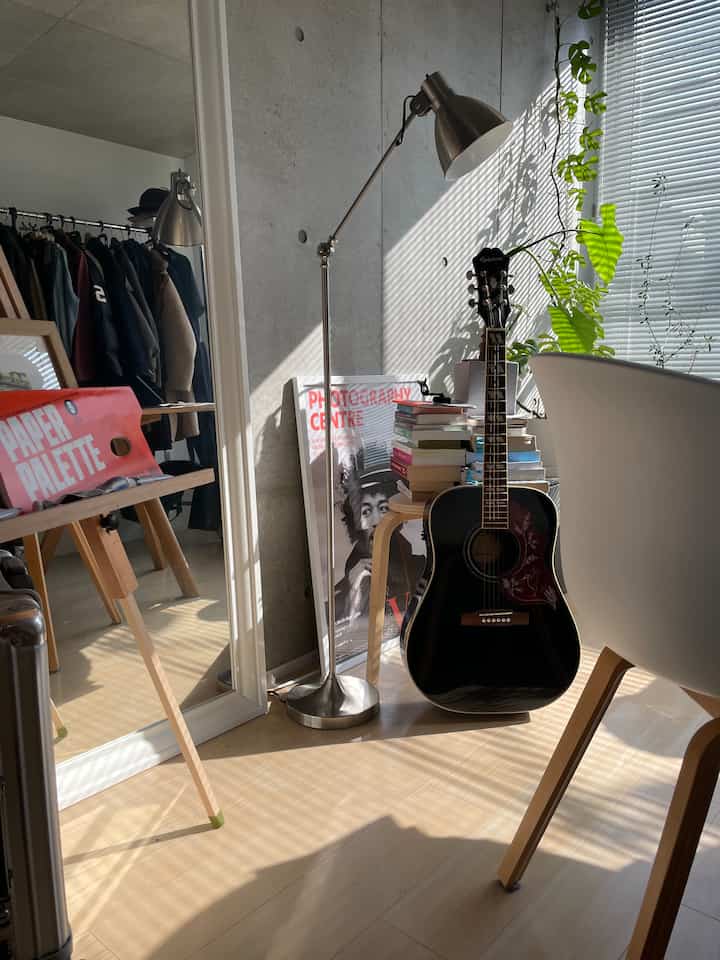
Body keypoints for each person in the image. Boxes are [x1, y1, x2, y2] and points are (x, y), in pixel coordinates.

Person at [335, 456, 423, 625]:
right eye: (366, 512)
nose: (376, 521)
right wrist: (353, 588)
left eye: (383, 508)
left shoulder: (415, 558)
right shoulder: (356, 567)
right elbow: (351, 626)